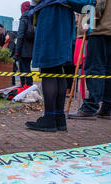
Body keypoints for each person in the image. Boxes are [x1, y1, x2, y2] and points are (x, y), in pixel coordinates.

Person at [25, 0, 95, 132]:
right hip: (65, 15)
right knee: (57, 68)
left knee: (49, 68)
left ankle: (50, 119)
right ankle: (59, 117)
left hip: (51, 14)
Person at [68, 0, 111, 121]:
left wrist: (88, 21)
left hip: (103, 27)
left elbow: (96, 3)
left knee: (95, 68)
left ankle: (90, 107)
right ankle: (108, 108)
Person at [15, 1, 35, 87]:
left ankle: (25, 86)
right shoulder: (34, 17)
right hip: (32, 49)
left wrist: (17, 51)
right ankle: (28, 85)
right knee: (27, 68)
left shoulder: (24, 18)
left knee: (23, 69)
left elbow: (20, 36)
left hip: (23, 49)